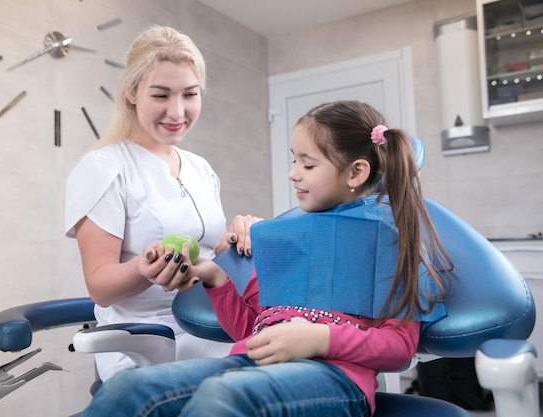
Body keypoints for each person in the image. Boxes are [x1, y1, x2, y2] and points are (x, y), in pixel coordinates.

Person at [80, 100, 453, 417]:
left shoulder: (391, 243)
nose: (293, 174)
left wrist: (319, 338)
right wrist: (216, 279)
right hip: (251, 363)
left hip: (335, 378)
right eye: (294, 161)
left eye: (308, 165)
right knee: (129, 388)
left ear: (356, 171)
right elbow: (255, 330)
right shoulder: (284, 238)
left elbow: (399, 348)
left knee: (222, 398)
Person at [64, 25, 260, 382]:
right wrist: (145, 268)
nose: (177, 111)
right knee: (260, 375)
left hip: (217, 319)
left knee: (296, 360)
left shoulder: (200, 168)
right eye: (161, 95)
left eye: (190, 94)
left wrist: (243, 237)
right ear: (132, 93)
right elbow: (100, 286)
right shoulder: (105, 167)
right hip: (149, 339)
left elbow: (213, 253)